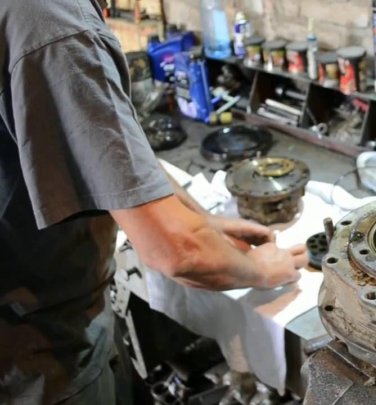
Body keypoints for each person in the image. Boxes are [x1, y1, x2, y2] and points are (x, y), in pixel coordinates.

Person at [0, 1, 308, 403]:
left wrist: (202, 220)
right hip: (42, 357)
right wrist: (261, 269)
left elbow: (118, 158)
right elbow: (177, 252)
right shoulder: (52, 22)